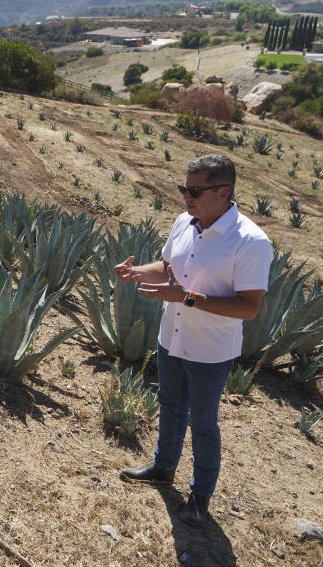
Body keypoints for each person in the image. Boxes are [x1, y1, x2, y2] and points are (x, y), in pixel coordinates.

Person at [115, 154, 272, 527]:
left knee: (203, 423)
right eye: (182, 187)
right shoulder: (185, 223)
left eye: (194, 190)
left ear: (223, 192)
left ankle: (200, 496)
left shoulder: (251, 241)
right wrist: (138, 271)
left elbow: (249, 308)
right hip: (173, 337)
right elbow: (170, 268)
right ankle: (163, 467)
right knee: (169, 405)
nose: (185, 195)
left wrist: (187, 298)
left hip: (211, 349)